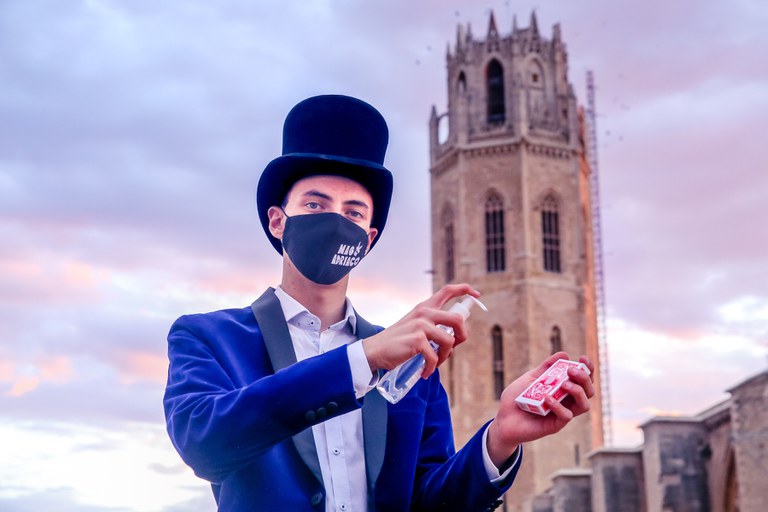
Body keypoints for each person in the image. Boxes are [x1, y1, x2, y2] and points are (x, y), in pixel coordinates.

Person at [163, 94, 595, 512]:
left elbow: (430, 502)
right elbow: (204, 444)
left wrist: (500, 438)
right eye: (315, 204)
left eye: (353, 212)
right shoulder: (209, 338)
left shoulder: (413, 367)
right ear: (278, 221)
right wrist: (362, 360)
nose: (335, 220)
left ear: (368, 239)